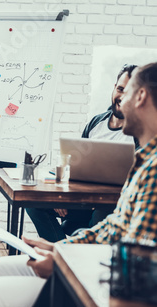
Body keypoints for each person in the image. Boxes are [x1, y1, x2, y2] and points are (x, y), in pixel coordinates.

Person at [0, 62, 157, 307]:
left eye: (126, 92)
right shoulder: (144, 159)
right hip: (106, 265)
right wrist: (63, 248)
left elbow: (136, 258)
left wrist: (64, 264)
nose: (121, 100)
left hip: (119, 291)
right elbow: (116, 227)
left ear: (140, 97)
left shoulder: (152, 169)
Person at [26, 64, 139, 242]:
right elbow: (76, 166)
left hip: (111, 206)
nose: (122, 96)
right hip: (83, 202)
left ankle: (70, 254)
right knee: (33, 204)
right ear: (114, 88)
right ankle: (60, 252)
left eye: (129, 92)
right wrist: (60, 199)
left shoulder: (139, 132)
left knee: (102, 214)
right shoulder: (97, 123)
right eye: (120, 89)